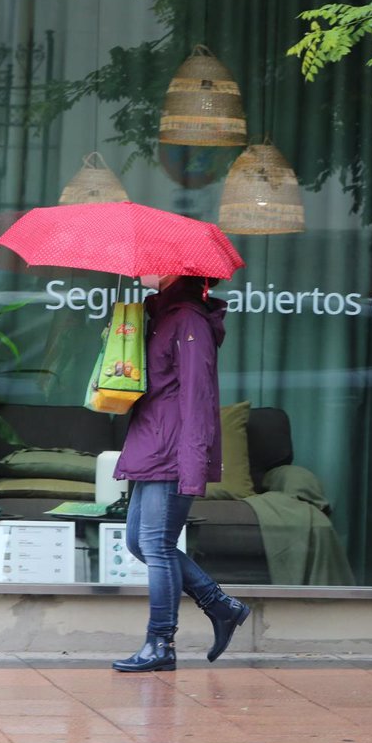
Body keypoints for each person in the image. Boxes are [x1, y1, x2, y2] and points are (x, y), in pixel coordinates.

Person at [111, 274, 250, 673]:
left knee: (155, 545)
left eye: (155, 266)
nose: (144, 272)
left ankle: (160, 643)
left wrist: (192, 462)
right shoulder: (161, 315)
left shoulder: (189, 320)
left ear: (176, 271)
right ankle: (221, 605)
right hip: (154, 442)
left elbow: (197, 396)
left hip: (172, 448)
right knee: (140, 542)